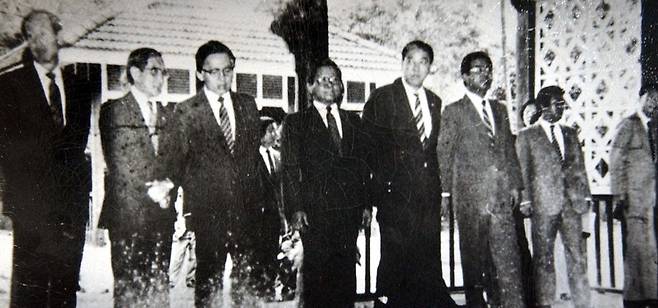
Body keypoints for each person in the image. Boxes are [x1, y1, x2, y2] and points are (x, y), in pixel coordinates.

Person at [0, 10, 93, 307]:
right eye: (31, 36)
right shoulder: (10, 86)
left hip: (71, 210)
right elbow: (8, 149)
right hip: (32, 208)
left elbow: (77, 147)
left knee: (65, 288)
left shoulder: (78, 87)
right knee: (31, 289)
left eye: (44, 33)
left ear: (58, 35)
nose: (38, 41)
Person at [362, 40, 458, 308]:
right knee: (395, 263)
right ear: (402, 63)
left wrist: (442, 193)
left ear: (430, 67)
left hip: (427, 198)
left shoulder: (435, 102)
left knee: (426, 263)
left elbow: (434, 152)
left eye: (423, 61)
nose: (416, 67)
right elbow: (366, 149)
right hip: (395, 197)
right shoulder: (382, 98)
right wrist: (374, 194)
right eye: (411, 61)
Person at [167, 40, 262, 307]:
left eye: (228, 70)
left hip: (247, 212)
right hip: (209, 214)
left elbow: (252, 161)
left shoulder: (248, 105)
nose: (222, 78)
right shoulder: (186, 111)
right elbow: (179, 165)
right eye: (214, 71)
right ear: (200, 73)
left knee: (248, 285)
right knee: (209, 284)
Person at [437, 51, 524, 308]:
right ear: (464, 77)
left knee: (507, 259)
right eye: (478, 70)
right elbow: (445, 152)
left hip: (501, 199)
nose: (485, 75)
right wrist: (445, 194)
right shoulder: (453, 111)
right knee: (474, 261)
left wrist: (516, 185)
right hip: (471, 200)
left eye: (488, 69)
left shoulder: (500, 109)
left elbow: (509, 149)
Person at [280, 58, 370, 307]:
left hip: (348, 213)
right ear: (310, 87)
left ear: (341, 86)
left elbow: (362, 166)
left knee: (345, 279)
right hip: (314, 214)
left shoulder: (354, 121)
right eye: (323, 80)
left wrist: (365, 205)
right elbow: (289, 169)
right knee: (317, 282)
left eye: (335, 80)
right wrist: (295, 208)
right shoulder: (296, 123)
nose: (330, 85)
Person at [98, 47, 177, 307]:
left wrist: (169, 185)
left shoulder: (167, 114)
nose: (161, 78)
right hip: (127, 218)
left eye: (163, 73)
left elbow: (175, 160)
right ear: (134, 72)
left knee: (158, 289)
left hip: (161, 219)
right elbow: (121, 162)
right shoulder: (114, 110)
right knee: (131, 292)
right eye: (154, 71)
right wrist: (151, 192)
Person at [516, 86, 591, 308]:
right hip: (543, 205)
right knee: (543, 259)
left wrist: (584, 196)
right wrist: (525, 200)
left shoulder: (570, 133)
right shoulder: (527, 136)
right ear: (543, 107)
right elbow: (523, 171)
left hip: (571, 206)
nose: (562, 107)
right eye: (558, 104)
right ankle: (545, 303)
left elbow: (580, 167)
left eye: (563, 104)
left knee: (577, 257)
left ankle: (583, 303)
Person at [610, 83, 658, 308]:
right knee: (636, 251)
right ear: (640, 98)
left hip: (650, 201)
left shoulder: (653, 128)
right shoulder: (628, 125)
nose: (653, 104)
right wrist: (619, 196)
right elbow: (616, 161)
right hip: (633, 201)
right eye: (650, 98)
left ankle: (649, 296)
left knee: (648, 252)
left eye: (657, 101)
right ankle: (633, 300)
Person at [244, 116, 285, 300]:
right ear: (260, 134)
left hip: (273, 218)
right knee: (257, 258)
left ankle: (268, 292)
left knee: (271, 256)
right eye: (270, 131)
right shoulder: (250, 158)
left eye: (275, 130)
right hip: (257, 220)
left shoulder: (277, 157)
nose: (275, 134)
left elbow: (279, 191)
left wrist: (283, 217)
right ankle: (257, 293)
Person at [168, 187, 197, 289]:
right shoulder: (179, 190)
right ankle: (171, 280)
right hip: (182, 227)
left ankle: (191, 279)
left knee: (193, 257)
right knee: (176, 257)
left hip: (194, 227)